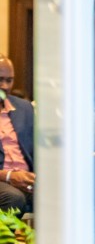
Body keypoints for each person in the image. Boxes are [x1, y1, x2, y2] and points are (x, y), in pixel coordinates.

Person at [0, 55, 34, 214]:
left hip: (27, 179)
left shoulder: (24, 108)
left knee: (65, 191)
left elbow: (37, 150)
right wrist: (9, 176)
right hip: (3, 181)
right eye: (0, 80)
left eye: (9, 80)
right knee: (14, 198)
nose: (5, 86)